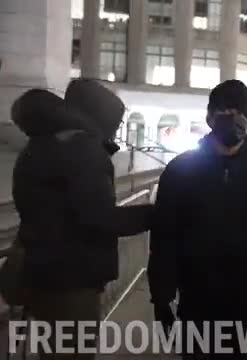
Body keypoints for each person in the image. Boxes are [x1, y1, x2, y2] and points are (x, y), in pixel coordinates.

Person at [148, 80, 247, 358]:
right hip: (199, 303)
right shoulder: (181, 169)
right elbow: (165, 235)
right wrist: (162, 296)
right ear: (209, 117)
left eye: (239, 112)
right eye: (223, 111)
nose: (232, 118)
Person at [11, 79, 153, 359]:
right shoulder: (82, 149)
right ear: (102, 117)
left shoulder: (45, 141)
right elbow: (100, 217)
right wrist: (156, 214)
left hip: (42, 273)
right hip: (72, 282)